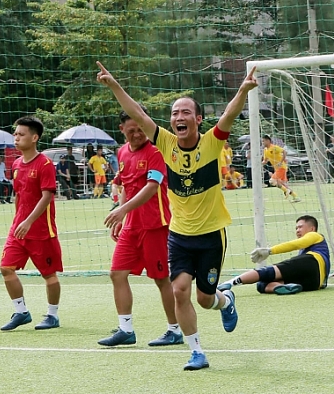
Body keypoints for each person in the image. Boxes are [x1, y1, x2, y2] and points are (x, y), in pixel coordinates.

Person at [97, 60, 256, 371]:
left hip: (211, 235)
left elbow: (229, 114)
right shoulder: (165, 142)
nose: (178, 117)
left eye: (185, 112)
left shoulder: (211, 142)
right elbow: (139, 115)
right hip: (179, 235)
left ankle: (225, 300)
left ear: (197, 119)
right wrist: (114, 84)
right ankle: (196, 351)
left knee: (204, 299)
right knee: (179, 290)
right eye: (174, 113)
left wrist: (244, 90)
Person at [97, 107, 180, 348]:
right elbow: (124, 186)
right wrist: (122, 216)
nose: (137, 134)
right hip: (131, 227)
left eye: (141, 129)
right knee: (117, 273)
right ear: (122, 130)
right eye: (131, 130)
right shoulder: (122, 152)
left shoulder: (156, 151)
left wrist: (122, 210)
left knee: (161, 278)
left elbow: (151, 187)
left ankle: (174, 329)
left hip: (155, 225)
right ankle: (126, 329)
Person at [0, 116, 62, 332]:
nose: (16, 138)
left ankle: (52, 315)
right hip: (19, 228)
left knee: (48, 274)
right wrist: (19, 219)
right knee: (6, 268)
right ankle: (21, 312)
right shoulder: (16, 164)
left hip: (41, 230)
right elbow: (19, 194)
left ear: (34, 138)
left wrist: (29, 220)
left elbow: (47, 197)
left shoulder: (44, 164)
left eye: (21, 134)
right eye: (15, 134)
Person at [218, 215, 330, 296]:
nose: (297, 230)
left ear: (312, 228)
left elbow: (296, 244)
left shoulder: (315, 235)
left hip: (313, 263)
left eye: (300, 227)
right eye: (296, 228)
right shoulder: (304, 250)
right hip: (314, 284)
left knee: (266, 272)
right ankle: (281, 287)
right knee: (262, 285)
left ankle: (229, 283)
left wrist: (270, 251)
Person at [262, 135, 300, 202]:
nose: (262, 143)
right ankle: (296, 197)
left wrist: (281, 161)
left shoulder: (274, 147)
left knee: (272, 181)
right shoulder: (265, 150)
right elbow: (265, 160)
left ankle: (286, 191)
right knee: (282, 184)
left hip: (281, 167)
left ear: (268, 141)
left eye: (263, 141)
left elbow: (284, 152)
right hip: (277, 168)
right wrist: (260, 163)